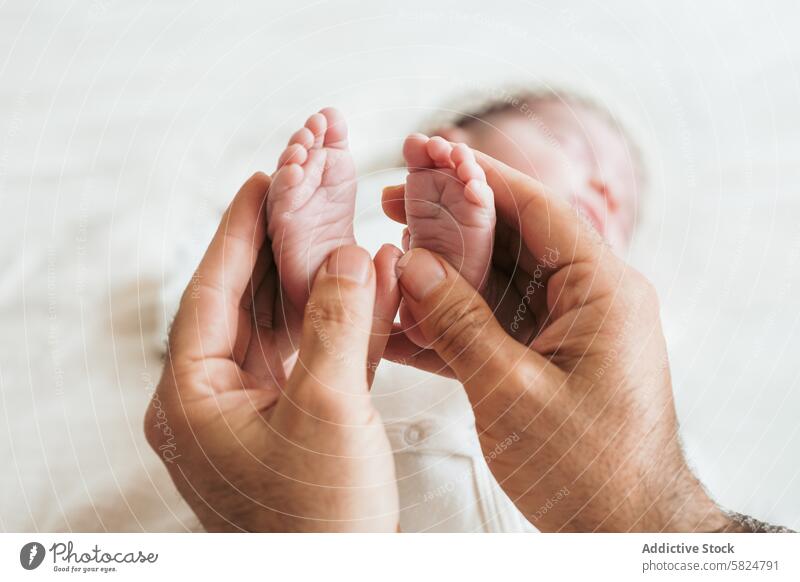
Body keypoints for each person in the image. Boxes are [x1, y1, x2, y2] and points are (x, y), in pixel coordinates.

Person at [145, 145, 792, 531]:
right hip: (332, 460)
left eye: (614, 188)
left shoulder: (647, 390)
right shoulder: (381, 249)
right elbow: (197, 325)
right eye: (567, 147)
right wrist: (286, 298)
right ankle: (312, 278)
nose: (601, 190)